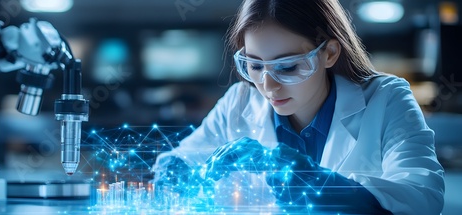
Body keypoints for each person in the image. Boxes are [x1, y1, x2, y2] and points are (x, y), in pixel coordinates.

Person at [151, 0, 445, 214]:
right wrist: (175, 172)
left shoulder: (386, 98)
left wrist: (302, 176)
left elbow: (422, 198)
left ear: (329, 52)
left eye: (288, 67)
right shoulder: (239, 101)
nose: (268, 86)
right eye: (254, 65)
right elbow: (179, 160)